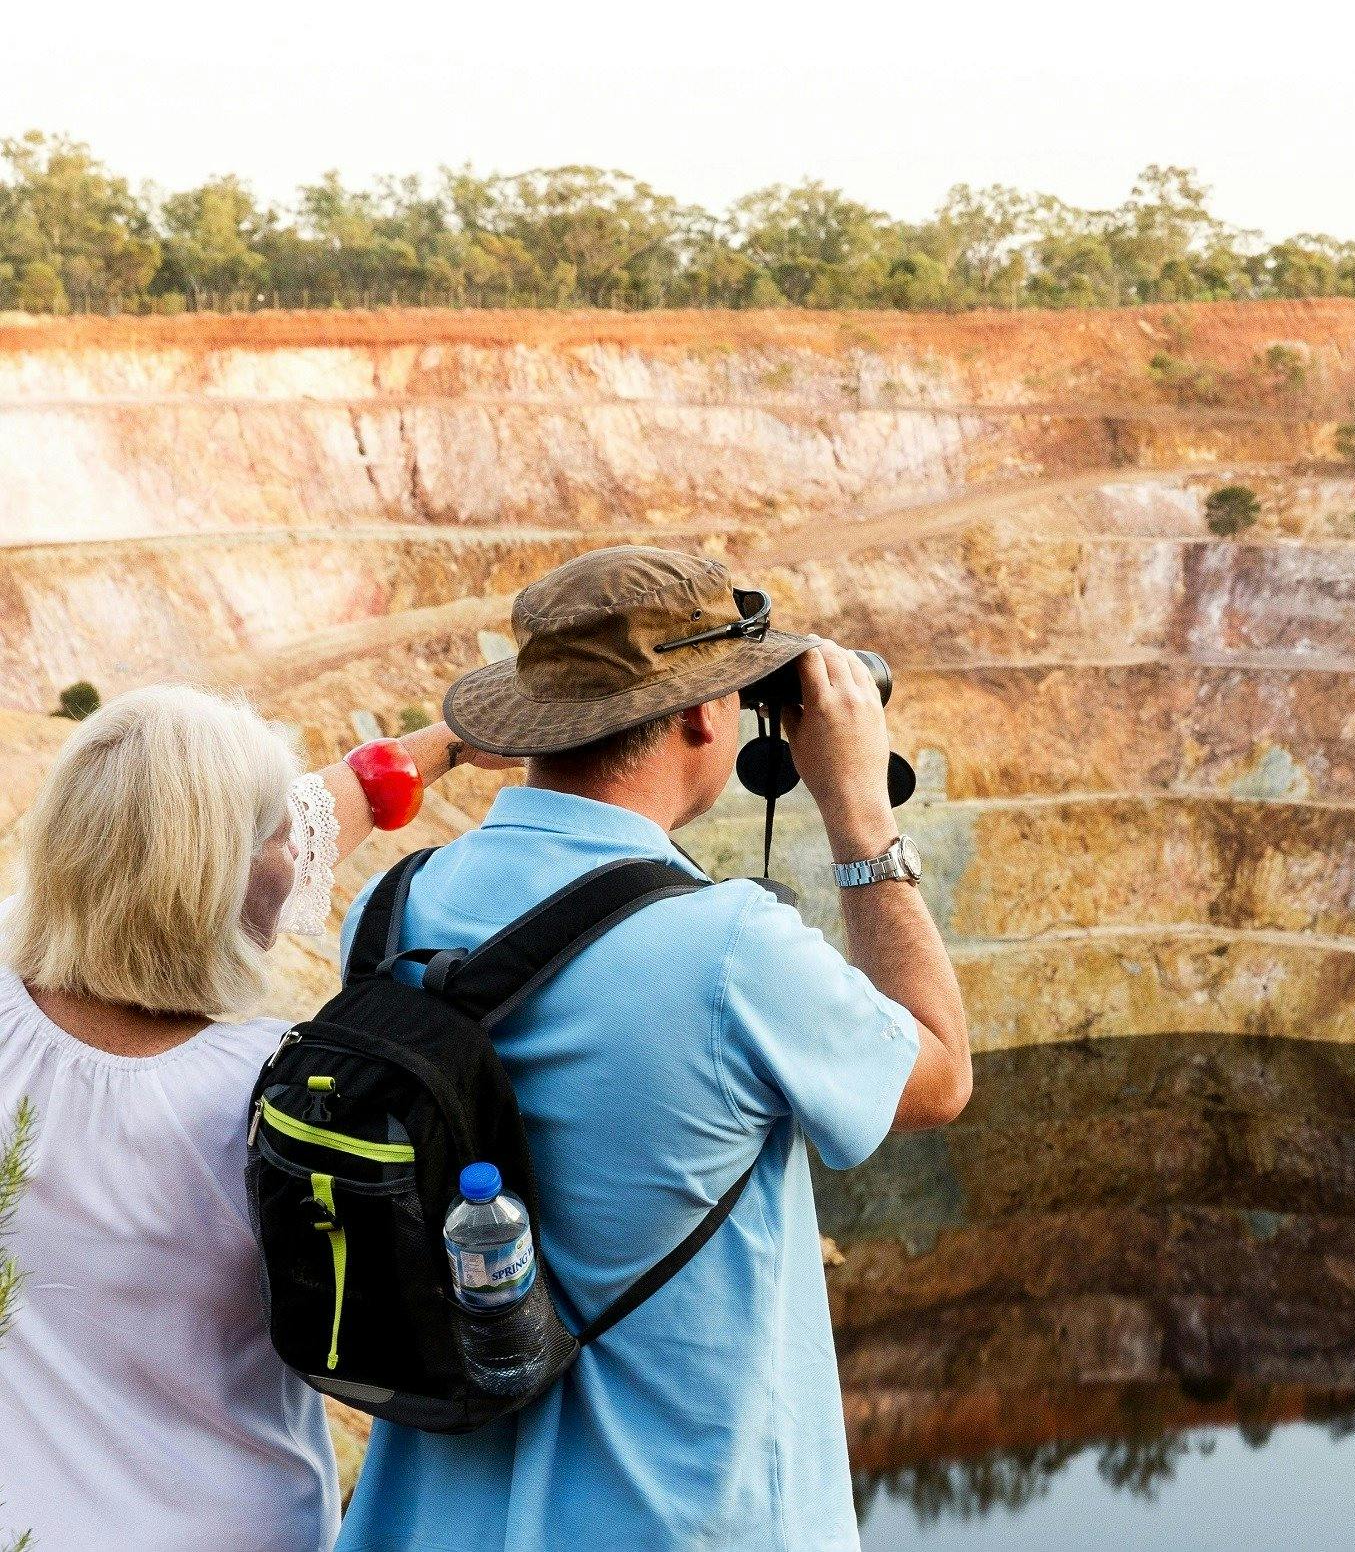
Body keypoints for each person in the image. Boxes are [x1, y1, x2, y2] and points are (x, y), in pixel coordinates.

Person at [334, 546, 970, 1552]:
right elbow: (938, 1074)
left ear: (535, 720)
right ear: (705, 714)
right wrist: (860, 816)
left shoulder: (389, 910)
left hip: (429, 1524)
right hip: (677, 1525)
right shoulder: (731, 953)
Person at [0, 686, 514, 1552]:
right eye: (278, 835)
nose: (303, 849)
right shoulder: (282, 1095)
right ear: (209, 882)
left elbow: (205, 831)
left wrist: (447, 744)